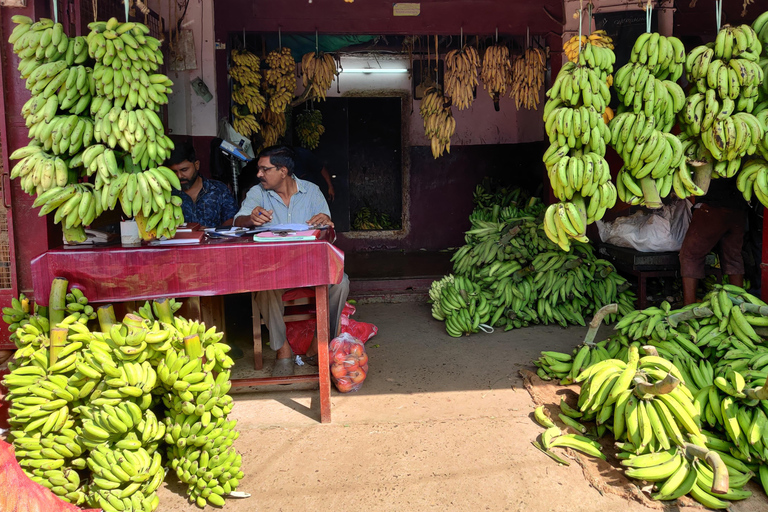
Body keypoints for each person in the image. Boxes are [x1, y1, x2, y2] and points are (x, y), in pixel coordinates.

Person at [234, 145, 350, 377]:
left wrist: (326, 219)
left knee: (341, 281)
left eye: (265, 170)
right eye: (259, 169)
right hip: (273, 268)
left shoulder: (312, 191)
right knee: (263, 286)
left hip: (310, 266)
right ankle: (282, 349)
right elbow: (239, 221)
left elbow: (330, 232)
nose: (259, 174)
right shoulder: (258, 193)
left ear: (283, 171)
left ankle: (320, 341)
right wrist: (250, 219)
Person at [679, 176, 747, 305]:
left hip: (712, 208)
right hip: (738, 210)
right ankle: (740, 304)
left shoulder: (711, 161)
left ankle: (688, 306)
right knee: (734, 258)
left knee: (690, 256)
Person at [165, 141, 239, 227]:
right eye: (174, 172)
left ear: (196, 165)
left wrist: (210, 231)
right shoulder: (167, 194)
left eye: (184, 170)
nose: (179, 176)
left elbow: (232, 220)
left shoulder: (218, 189)